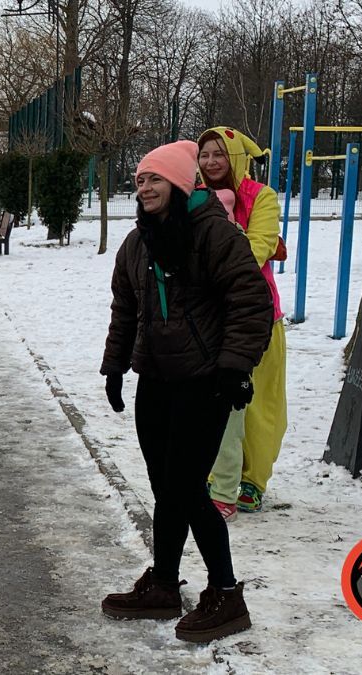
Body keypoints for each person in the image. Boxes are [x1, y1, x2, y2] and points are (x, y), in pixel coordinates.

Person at [99, 140, 272, 642]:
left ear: (179, 183)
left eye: (154, 179)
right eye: (139, 180)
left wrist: (235, 368)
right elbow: (125, 309)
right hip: (155, 379)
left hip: (205, 381)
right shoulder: (138, 242)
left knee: (187, 489)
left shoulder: (214, 234)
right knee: (165, 489)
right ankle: (165, 584)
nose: (145, 187)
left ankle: (226, 595)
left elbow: (250, 302)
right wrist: (115, 368)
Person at [197, 127, 288, 516]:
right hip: (207, 314)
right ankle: (216, 475)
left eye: (220, 154)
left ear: (236, 157)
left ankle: (253, 479)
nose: (211, 162)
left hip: (256, 315)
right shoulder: (194, 194)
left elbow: (258, 248)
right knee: (212, 401)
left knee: (259, 404)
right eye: (205, 154)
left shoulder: (261, 197)